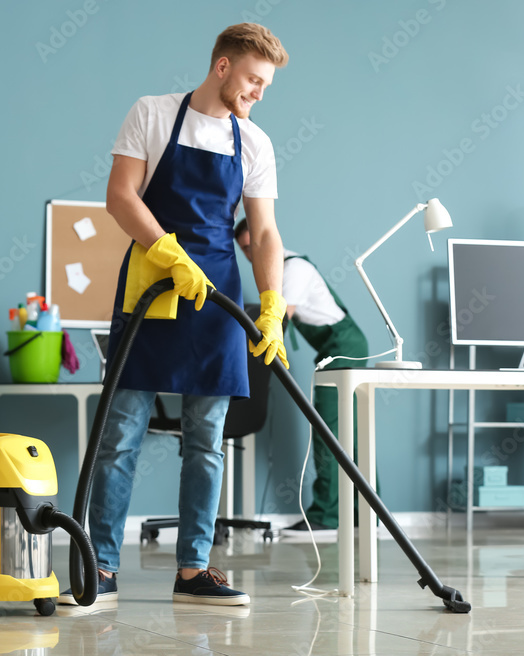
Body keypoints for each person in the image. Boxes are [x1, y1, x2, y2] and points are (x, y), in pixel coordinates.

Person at [58, 23, 288, 607]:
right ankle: (101, 567)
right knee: (120, 435)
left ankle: (193, 570)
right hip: (151, 290)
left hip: (217, 301)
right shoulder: (154, 113)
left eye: (266, 86)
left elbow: (263, 233)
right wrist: (167, 253)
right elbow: (121, 196)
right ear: (222, 67)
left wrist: (272, 306)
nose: (258, 94)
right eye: (253, 81)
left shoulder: (254, 144)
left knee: (206, 440)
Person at [235, 219, 369, 531]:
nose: (250, 254)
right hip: (333, 347)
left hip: (343, 346)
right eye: (243, 249)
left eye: (252, 245)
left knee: (330, 431)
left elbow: (280, 317)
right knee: (352, 432)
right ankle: (365, 514)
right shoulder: (282, 270)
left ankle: (327, 515)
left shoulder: (293, 269)